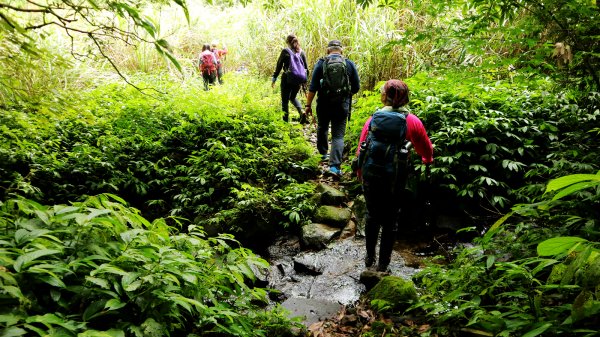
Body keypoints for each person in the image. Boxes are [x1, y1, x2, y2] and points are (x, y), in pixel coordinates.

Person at [354, 79, 434, 272]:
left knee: (372, 215)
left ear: (384, 96)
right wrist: (426, 161)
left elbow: (362, 147)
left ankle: (369, 257)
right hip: (395, 179)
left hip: (371, 174)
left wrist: (359, 171)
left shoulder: (373, 119)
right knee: (390, 220)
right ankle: (383, 264)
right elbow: (426, 149)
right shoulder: (411, 121)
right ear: (405, 98)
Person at [304, 40, 360, 177]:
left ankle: (323, 154)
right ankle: (335, 167)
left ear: (328, 50)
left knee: (322, 127)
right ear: (341, 51)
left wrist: (308, 105)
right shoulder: (349, 64)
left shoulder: (321, 63)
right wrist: (345, 95)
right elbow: (356, 87)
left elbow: (313, 87)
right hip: (342, 105)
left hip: (323, 104)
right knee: (338, 136)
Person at [272, 34, 309, 123]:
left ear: (288, 42)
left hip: (287, 78)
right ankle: (302, 111)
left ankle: (285, 123)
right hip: (298, 79)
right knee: (292, 97)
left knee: (285, 101)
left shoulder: (285, 51)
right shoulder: (301, 52)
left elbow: (279, 65)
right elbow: (306, 69)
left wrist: (274, 78)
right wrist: (304, 81)